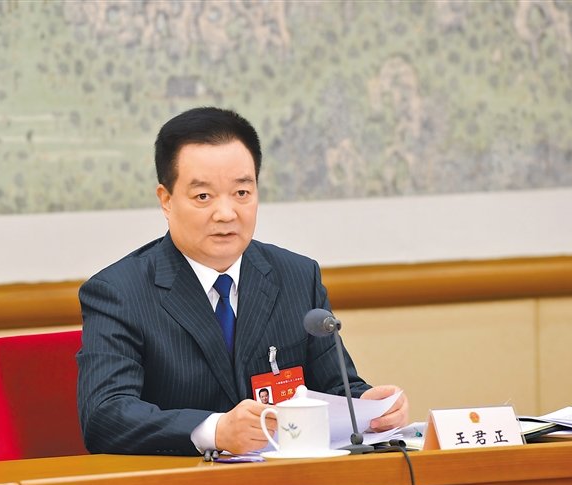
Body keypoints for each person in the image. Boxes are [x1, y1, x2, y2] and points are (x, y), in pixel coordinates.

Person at [77, 107, 408, 456]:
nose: (226, 213)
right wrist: (215, 430)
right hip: (180, 482)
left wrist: (369, 406)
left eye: (241, 193)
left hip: (287, 481)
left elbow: (335, 388)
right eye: (203, 197)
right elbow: (105, 415)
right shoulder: (119, 293)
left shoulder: (297, 277)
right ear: (167, 201)